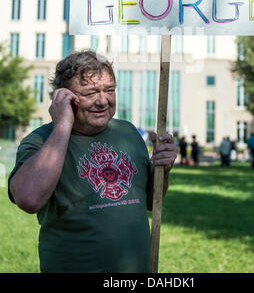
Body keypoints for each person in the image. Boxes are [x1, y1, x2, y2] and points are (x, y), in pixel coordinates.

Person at [8, 50, 177, 273]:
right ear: (63, 98)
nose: (102, 100)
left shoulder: (129, 132)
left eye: (109, 90)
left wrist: (162, 170)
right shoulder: (41, 141)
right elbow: (28, 199)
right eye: (89, 93)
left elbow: (149, 202)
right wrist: (62, 125)